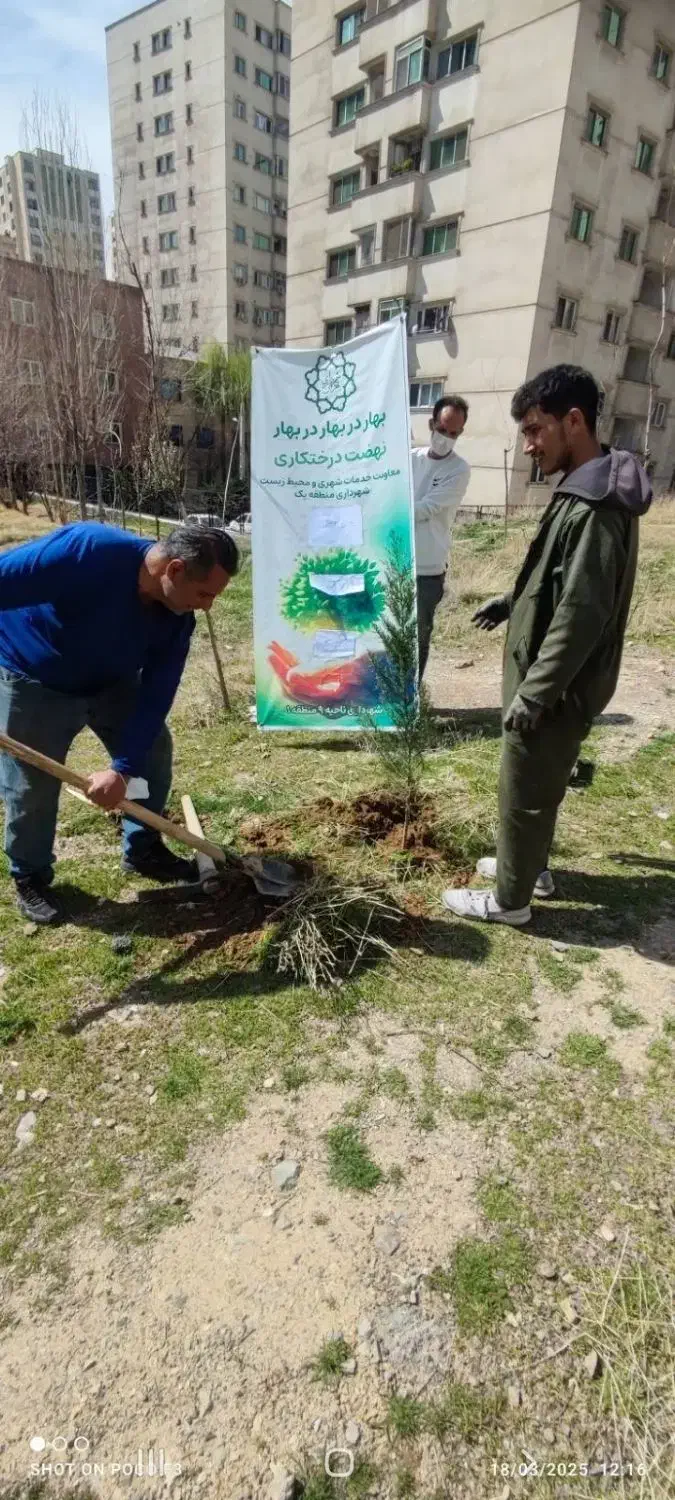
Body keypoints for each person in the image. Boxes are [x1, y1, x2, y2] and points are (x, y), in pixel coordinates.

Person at [442, 364, 652, 927]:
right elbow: (555, 576)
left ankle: (510, 901)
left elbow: (583, 612)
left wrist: (535, 695)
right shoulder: (581, 488)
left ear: (574, 421)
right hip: (550, 676)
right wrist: (511, 602)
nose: (529, 445)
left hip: (558, 684)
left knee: (526, 782)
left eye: (536, 430)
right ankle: (529, 866)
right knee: (540, 777)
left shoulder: (596, 507)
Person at [0, 522, 238, 925]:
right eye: (204, 594)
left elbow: (156, 697)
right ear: (174, 569)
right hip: (35, 677)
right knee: (31, 785)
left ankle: (143, 848)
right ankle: (31, 875)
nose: (208, 606)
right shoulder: (87, 553)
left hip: (113, 682)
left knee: (152, 754)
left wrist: (122, 769)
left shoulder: (177, 619)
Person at [412, 395, 471, 680]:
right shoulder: (409, 459)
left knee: (417, 636)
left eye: (454, 433)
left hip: (427, 569)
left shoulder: (458, 469)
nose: (446, 437)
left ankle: (409, 703)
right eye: (442, 429)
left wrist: (384, 512)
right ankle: (385, 699)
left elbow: (428, 509)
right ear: (431, 423)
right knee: (384, 631)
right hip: (393, 560)